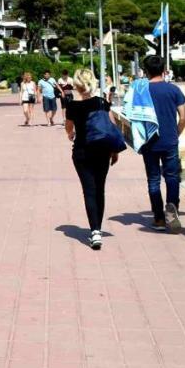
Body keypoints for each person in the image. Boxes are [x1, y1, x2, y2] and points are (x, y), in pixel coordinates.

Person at [64, 68, 119, 250]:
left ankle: (94, 231)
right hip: (102, 151)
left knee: (88, 190)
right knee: (99, 189)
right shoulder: (102, 103)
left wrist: (71, 134)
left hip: (81, 152)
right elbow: (111, 125)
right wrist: (115, 150)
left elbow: (69, 128)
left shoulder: (72, 106)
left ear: (76, 85)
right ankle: (98, 229)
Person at [140, 54, 185, 232]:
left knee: (153, 180)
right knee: (172, 178)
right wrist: (175, 134)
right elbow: (183, 117)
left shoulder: (141, 91)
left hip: (148, 142)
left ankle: (158, 219)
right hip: (170, 141)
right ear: (163, 69)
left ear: (146, 71)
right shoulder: (173, 89)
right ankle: (172, 211)